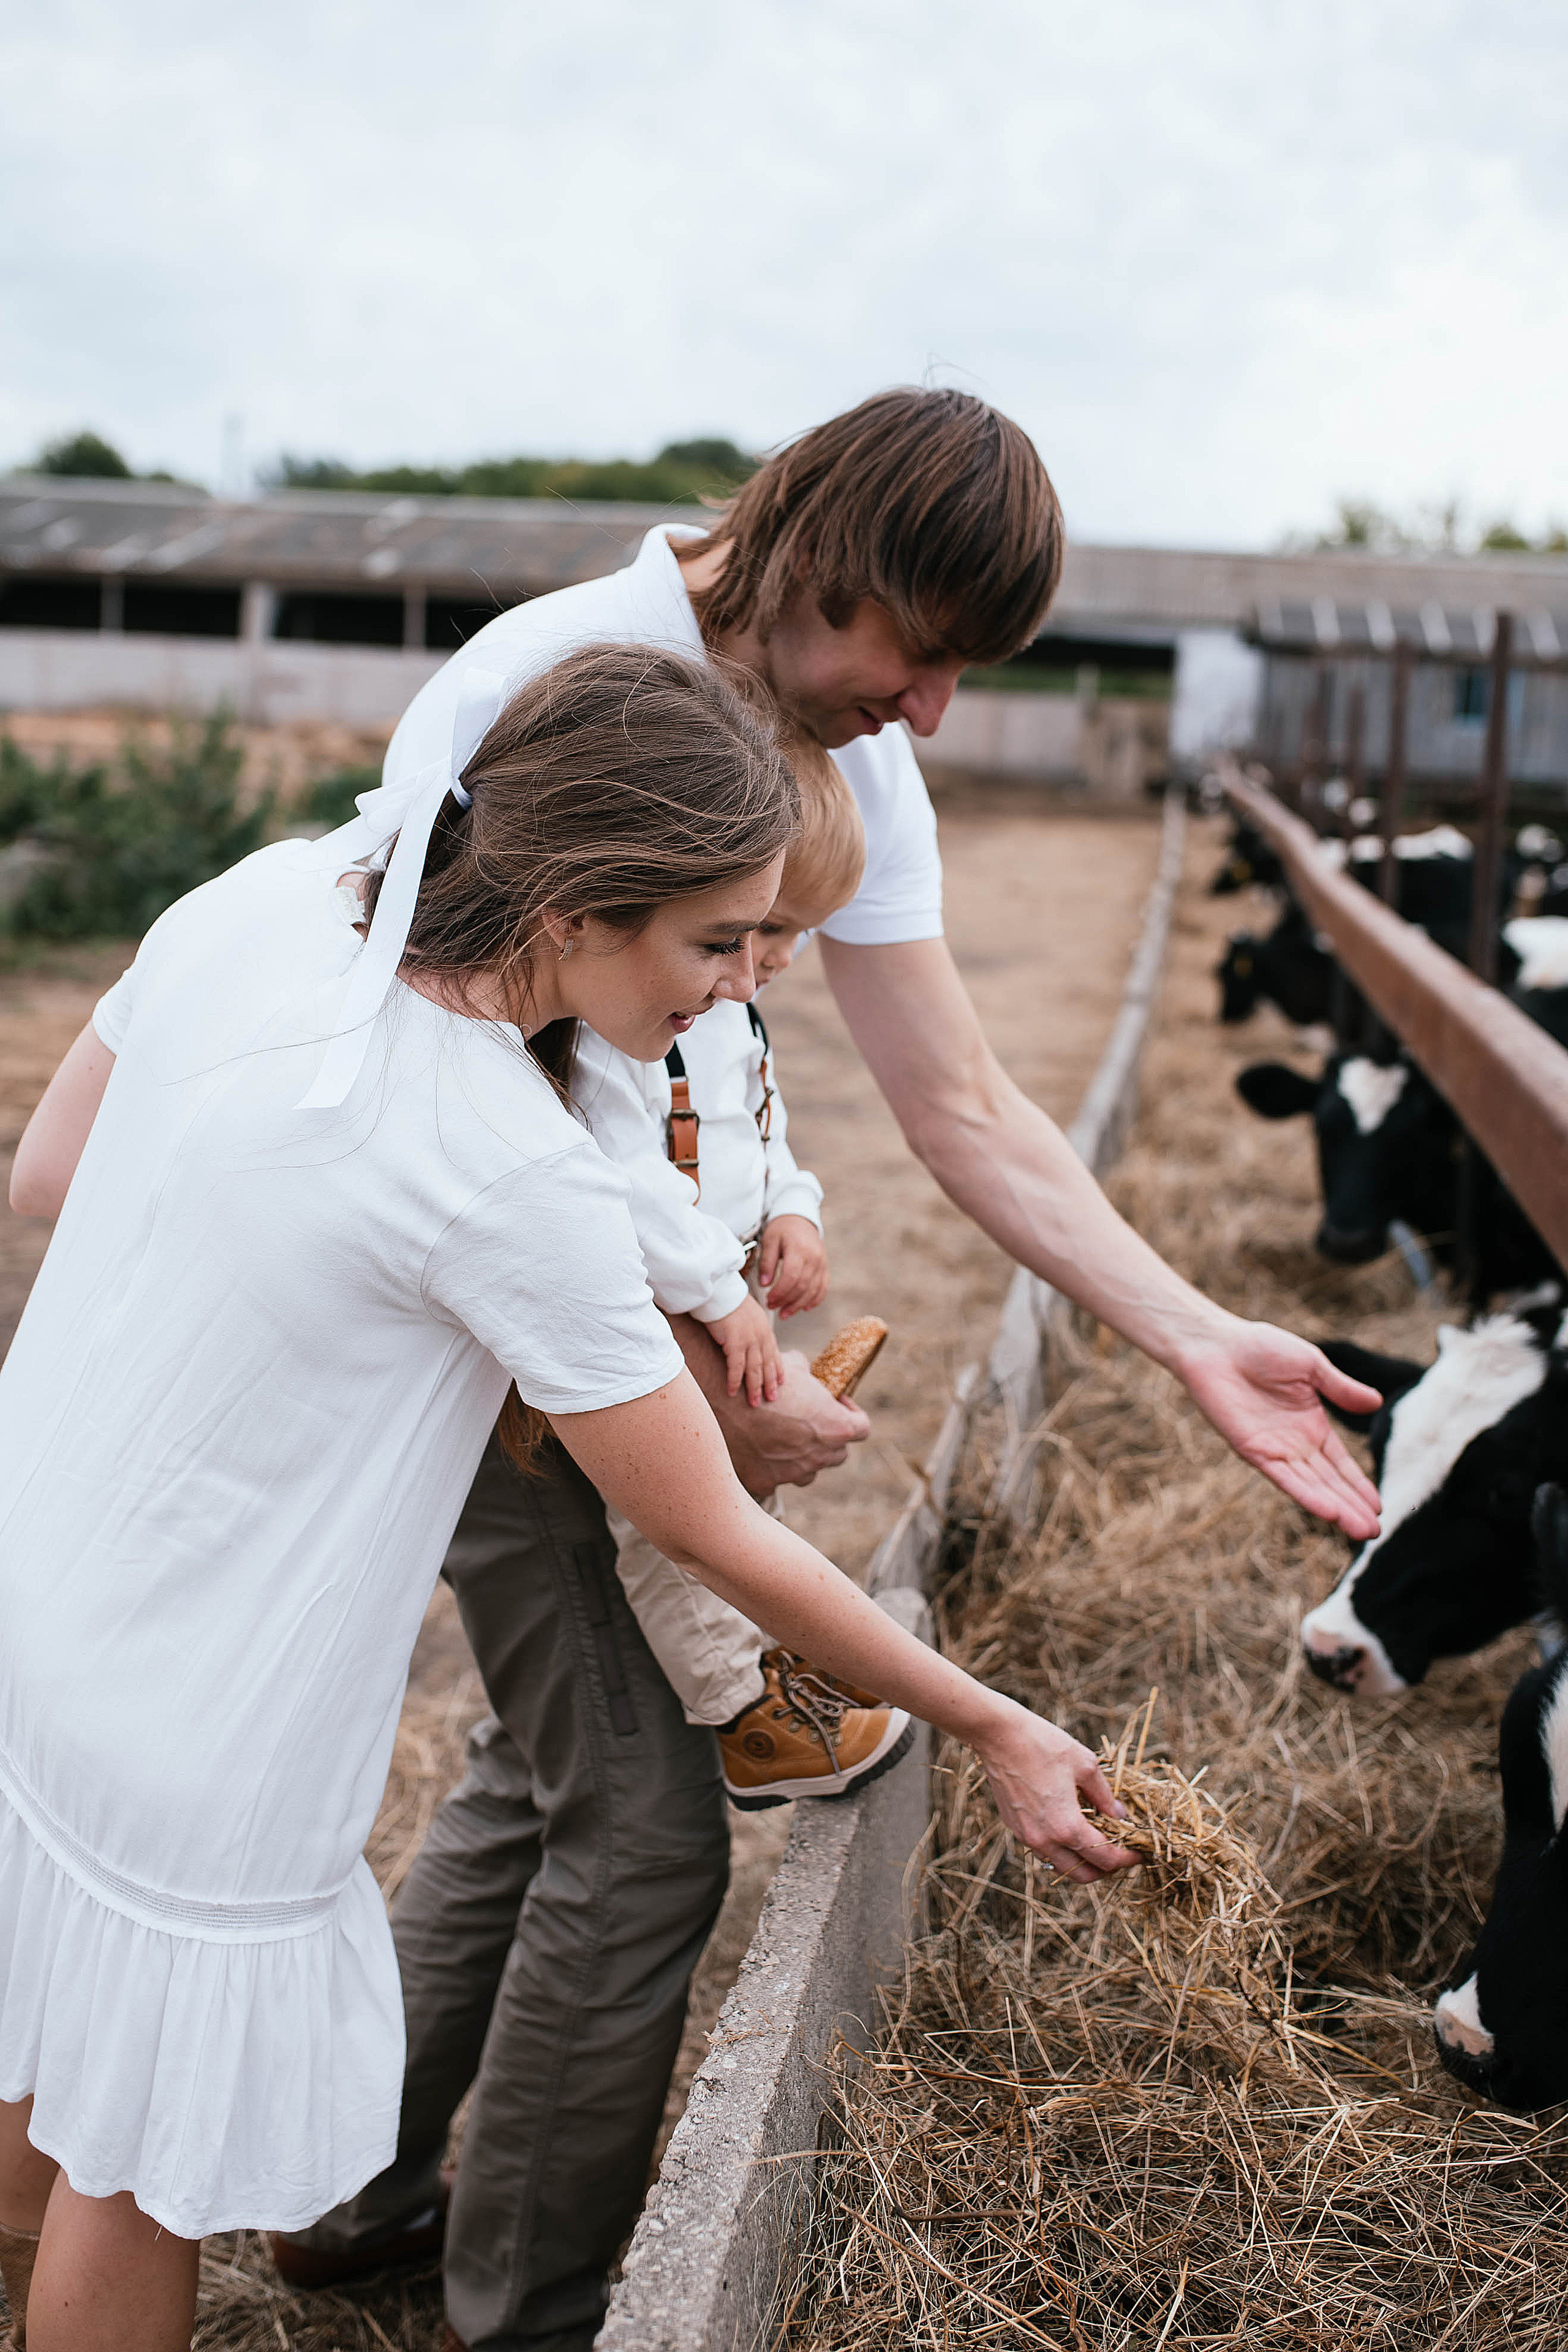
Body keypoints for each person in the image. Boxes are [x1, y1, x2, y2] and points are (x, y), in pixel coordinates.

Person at [278, 388, 1381, 2352]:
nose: (935, 710)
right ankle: (521, 2308)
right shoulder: (545, 683)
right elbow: (450, 1056)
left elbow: (952, 1095)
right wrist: (692, 1321)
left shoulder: (843, 764)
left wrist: (1193, 1330)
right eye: (920, 652)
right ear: (815, 554)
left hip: (627, 1344)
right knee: (642, 1825)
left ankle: (351, 2187)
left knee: (547, 1765)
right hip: (489, 1347)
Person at [0, 643, 1139, 2352]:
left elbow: (52, 1174)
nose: (739, 988)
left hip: (47, 1580)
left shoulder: (273, 894)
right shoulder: (511, 1171)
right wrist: (992, 1723)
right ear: (585, 906)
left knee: (42, 2050)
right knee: (134, 2174)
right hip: (212, 1708)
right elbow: (710, 1528)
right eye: (712, 943)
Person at [575, 738, 906, 1808]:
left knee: (747, 1497)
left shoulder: (736, 1018)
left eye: (796, 931)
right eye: (759, 930)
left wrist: (794, 1210)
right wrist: (718, 1297)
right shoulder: (628, 1027)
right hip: (652, 1314)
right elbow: (619, 1174)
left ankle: (784, 1663)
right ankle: (743, 1712)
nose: (776, 959)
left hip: (728, 1304)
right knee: (669, 1523)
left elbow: (763, 1135)